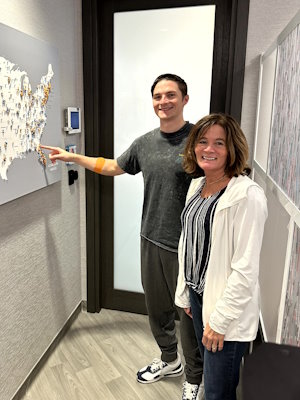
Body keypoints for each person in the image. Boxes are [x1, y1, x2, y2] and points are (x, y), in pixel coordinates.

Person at [41, 74, 204, 400]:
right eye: (158, 96)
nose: (163, 102)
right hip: (150, 239)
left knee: (186, 314)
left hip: (185, 246)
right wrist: (73, 157)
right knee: (157, 308)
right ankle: (169, 360)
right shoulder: (145, 143)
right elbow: (112, 166)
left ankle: (195, 376)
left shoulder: (200, 140)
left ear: (185, 99)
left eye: (171, 95)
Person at [175, 113, 268, 400]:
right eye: (202, 141)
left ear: (233, 150)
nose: (209, 149)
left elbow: (245, 269)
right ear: (193, 146)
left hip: (225, 308)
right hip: (200, 296)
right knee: (212, 378)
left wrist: (220, 321)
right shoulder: (197, 185)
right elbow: (188, 243)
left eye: (219, 143)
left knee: (218, 391)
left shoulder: (247, 195)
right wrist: (187, 293)